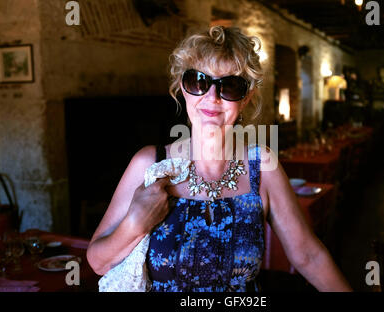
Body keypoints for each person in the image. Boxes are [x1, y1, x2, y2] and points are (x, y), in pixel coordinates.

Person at [86, 26, 352, 292]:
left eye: (230, 86)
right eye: (198, 82)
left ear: (246, 97)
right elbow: (98, 262)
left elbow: (309, 257)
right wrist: (134, 224)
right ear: (182, 88)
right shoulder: (149, 164)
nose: (211, 98)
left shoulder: (263, 167)